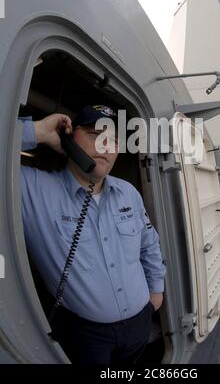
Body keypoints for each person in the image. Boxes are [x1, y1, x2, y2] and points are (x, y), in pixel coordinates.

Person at [20, 105, 166, 364]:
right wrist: (38, 131)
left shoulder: (128, 192)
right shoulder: (32, 189)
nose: (105, 145)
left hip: (139, 325)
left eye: (113, 139)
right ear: (69, 138)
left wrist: (156, 291)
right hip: (85, 336)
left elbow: (149, 244)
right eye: (94, 134)